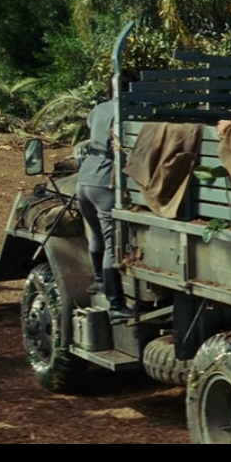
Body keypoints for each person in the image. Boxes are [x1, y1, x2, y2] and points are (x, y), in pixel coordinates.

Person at [78, 95, 134, 320]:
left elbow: (91, 126)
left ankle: (100, 281)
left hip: (85, 178)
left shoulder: (100, 108)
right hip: (104, 178)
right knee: (112, 243)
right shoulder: (127, 110)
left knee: (96, 234)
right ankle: (116, 304)